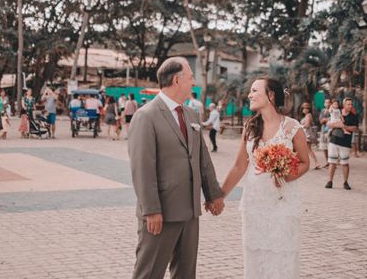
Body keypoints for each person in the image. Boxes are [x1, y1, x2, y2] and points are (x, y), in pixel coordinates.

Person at [128, 57, 224, 279]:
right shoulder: (146, 116)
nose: (194, 83)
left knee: (186, 273)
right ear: (177, 80)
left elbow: (203, 159)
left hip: (190, 211)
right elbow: (142, 168)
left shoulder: (192, 115)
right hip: (161, 213)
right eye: (191, 77)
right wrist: (151, 210)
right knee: (149, 273)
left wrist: (214, 195)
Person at [220, 77, 310, 278]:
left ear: (270, 95)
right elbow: (238, 167)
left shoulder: (292, 127)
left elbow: (305, 162)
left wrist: (285, 174)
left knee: (283, 255)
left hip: (283, 203)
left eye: (254, 90)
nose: (249, 95)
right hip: (255, 204)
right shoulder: (250, 127)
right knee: (255, 257)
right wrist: (219, 197)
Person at [326, 98, 359, 190]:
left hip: (345, 143)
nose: (350, 106)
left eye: (351, 104)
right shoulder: (337, 112)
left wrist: (344, 127)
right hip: (334, 140)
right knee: (332, 162)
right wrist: (337, 125)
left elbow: (354, 128)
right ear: (344, 105)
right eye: (348, 104)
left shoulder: (354, 116)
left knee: (345, 163)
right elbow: (329, 123)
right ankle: (329, 181)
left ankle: (345, 182)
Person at [300, 102, 320, 169]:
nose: (304, 110)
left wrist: (300, 126)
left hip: (307, 135)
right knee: (307, 149)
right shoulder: (306, 115)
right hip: (306, 134)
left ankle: (316, 162)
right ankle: (314, 162)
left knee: (308, 149)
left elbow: (307, 125)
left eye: (306, 108)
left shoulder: (308, 115)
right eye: (303, 108)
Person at [318, 98, 331, 167]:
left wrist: (325, 120)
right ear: (324, 104)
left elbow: (333, 120)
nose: (327, 104)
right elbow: (320, 121)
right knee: (324, 147)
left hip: (330, 130)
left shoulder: (333, 110)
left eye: (329, 102)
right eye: (326, 102)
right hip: (323, 130)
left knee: (330, 146)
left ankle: (331, 162)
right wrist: (327, 119)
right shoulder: (323, 111)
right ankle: (327, 161)